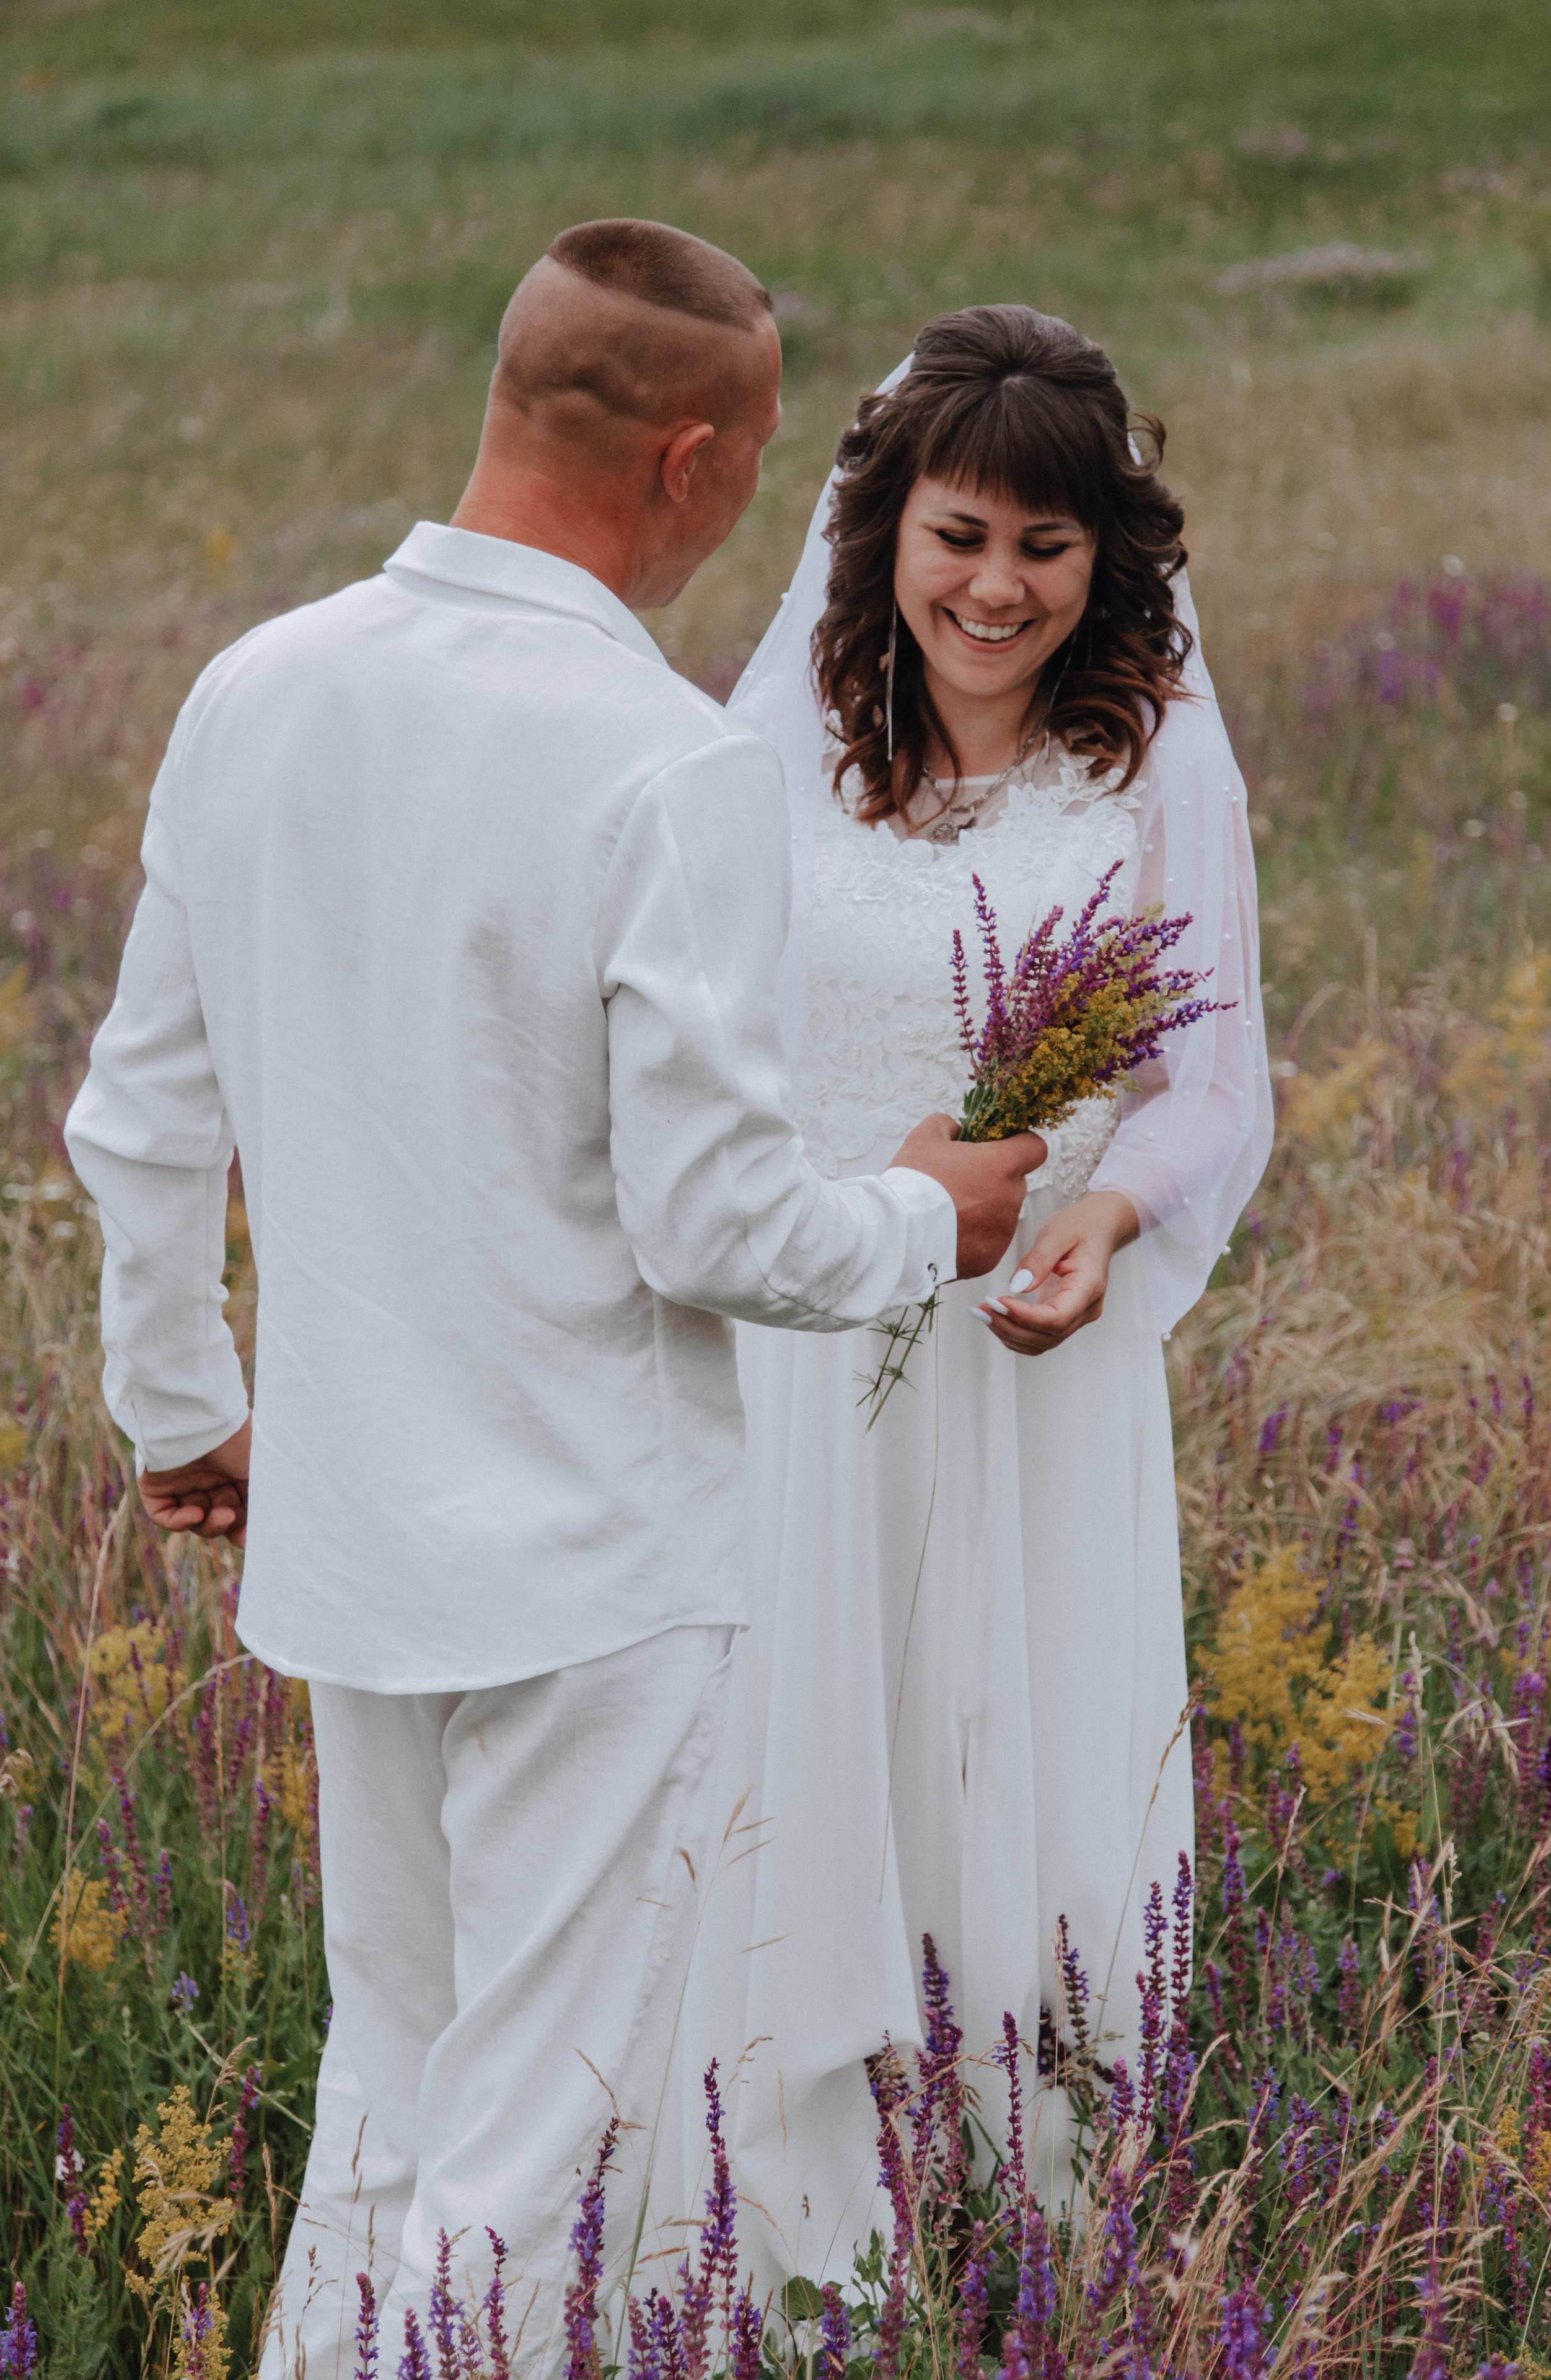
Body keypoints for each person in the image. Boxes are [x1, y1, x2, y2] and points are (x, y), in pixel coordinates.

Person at [63, 227, 1045, 2378]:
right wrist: (921, 1217)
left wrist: (181, 1412)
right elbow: (714, 1229)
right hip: (595, 1572)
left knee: (394, 2100)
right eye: (761, 459)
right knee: (527, 2155)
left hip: (349, 1542)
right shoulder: (663, 760)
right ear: (689, 460)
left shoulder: (260, 687)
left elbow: (137, 1125)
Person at [659, 306, 1273, 2288]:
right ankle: (795, 2189)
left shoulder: (1154, 744)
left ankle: (1022, 2205)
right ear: (884, 534)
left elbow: (1216, 1079)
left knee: (1019, 1742)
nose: (995, 589)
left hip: (1040, 1362)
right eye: (959, 537)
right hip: (813, 1345)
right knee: (802, 1733)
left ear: (1108, 563)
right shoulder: (782, 750)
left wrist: (1107, 1227)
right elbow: (705, 1062)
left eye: (1045, 549)